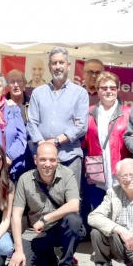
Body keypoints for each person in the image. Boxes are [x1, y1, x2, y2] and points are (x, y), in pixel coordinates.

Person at [7, 143, 86, 266]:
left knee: (74, 220)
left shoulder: (67, 174)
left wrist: (45, 219)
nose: (47, 164)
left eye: (52, 160)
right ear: (35, 159)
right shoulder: (25, 179)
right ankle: (45, 255)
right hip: (35, 234)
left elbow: (74, 205)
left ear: (58, 160)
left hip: (58, 229)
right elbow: (16, 215)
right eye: (43, 160)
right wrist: (18, 250)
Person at [27, 47, 89, 186]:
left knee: (70, 202)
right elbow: (31, 123)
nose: (58, 67)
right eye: (54, 63)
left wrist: (55, 142)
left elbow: (81, 126)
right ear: (49, 66)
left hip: (70, 157)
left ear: (68, 65)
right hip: (43, 159)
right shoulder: (38, 92)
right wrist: (43, 145)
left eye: (61, 63)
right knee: (41, 201)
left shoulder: (80, 93)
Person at [81, 72, 132, 209]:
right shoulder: (88, 113)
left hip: (120, 172)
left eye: (112, 88)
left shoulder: (128, 113)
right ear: (97, 91)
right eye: (104, 88)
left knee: (121, 211)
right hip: (97, 173)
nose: (108, 91)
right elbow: (82, 142)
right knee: (98, 211)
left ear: (117, 90)